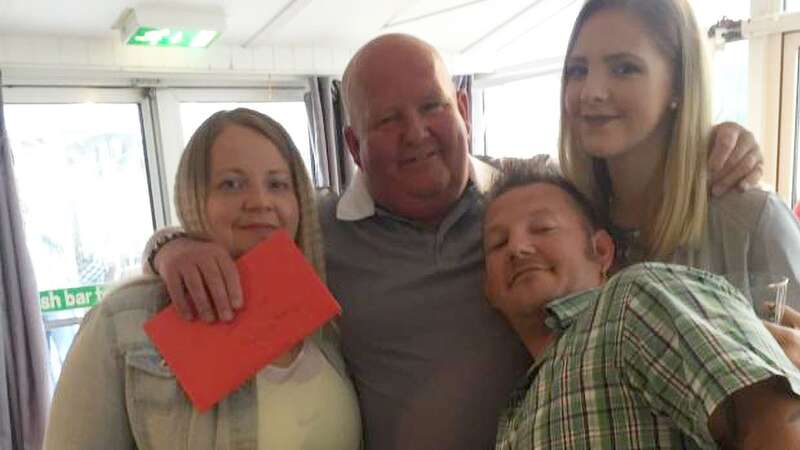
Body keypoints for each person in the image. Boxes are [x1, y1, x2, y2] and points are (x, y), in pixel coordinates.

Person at [145, 35, 765, 450]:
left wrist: (713, 139)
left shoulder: (531, 199)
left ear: (462, 107)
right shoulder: (318, 235)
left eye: (432, 106)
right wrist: (172, 245)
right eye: (387, 119)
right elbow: (240, 229)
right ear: (356, 146)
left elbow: (634, 177)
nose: (417, 133)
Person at [44, 108, 361, 450]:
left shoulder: (324, 315)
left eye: (277, 184)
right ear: (194, 197)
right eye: (231, 184)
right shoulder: (124, 323)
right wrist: (169, 247)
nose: (260, 201)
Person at [483, 158, 800, 449]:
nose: (518, 248)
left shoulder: (635, 299)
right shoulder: (512, 414)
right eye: (498, 243)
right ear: (490, 289)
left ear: (601, 250)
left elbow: (780, 422)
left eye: (542, 228)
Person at [558, 0, 800, 306]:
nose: (590, 91)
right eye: (577, 70)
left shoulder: (750, 222)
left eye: (624, 69)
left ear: (678, 84)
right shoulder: (564, 223)